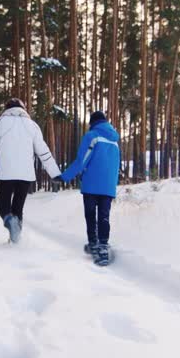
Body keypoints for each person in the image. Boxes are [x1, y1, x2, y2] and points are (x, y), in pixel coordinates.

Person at [0, 98, 61, 242]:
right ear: (23, 109)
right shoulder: (32, 126)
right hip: (26, 175)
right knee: (18, 207)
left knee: (4, 208)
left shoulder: (1, 122)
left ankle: (10, 223)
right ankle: (15, 238)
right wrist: (55, 173)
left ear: (7, 109)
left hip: (5, 174)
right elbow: (44, 153)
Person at [56, 111, 120, 266]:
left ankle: (93, 243)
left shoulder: (92, 136)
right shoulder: (115, 140)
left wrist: (64, 177)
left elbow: (81, 161)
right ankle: (103, 244)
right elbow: (116, 164)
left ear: (93, 122)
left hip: (91, 184)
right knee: (104, 215)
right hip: (108, 186)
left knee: (91, 214)